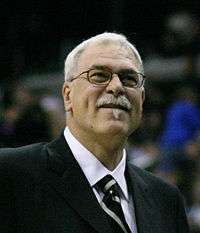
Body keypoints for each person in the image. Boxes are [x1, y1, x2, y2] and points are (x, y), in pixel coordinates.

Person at [0, 32, 189, 233]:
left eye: (129, 79)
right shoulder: (10, 174)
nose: (117, 87)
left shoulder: (166, 199)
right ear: (67, 95)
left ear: (141, 100)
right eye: (99, 76)